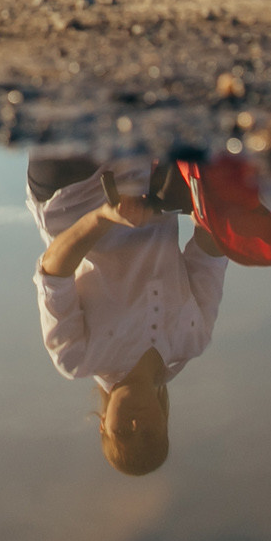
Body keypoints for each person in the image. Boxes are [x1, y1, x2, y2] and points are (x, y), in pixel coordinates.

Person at [26, 151, 227, 477]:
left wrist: (103, 218)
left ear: (103, 425)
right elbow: (211, 250)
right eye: (148, 432)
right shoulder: (194, 338)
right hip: (148, 181)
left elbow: (53, 271)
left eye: (124, 432)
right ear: (164, 422)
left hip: (69, 195)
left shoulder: (75, 358)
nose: (136, 422)